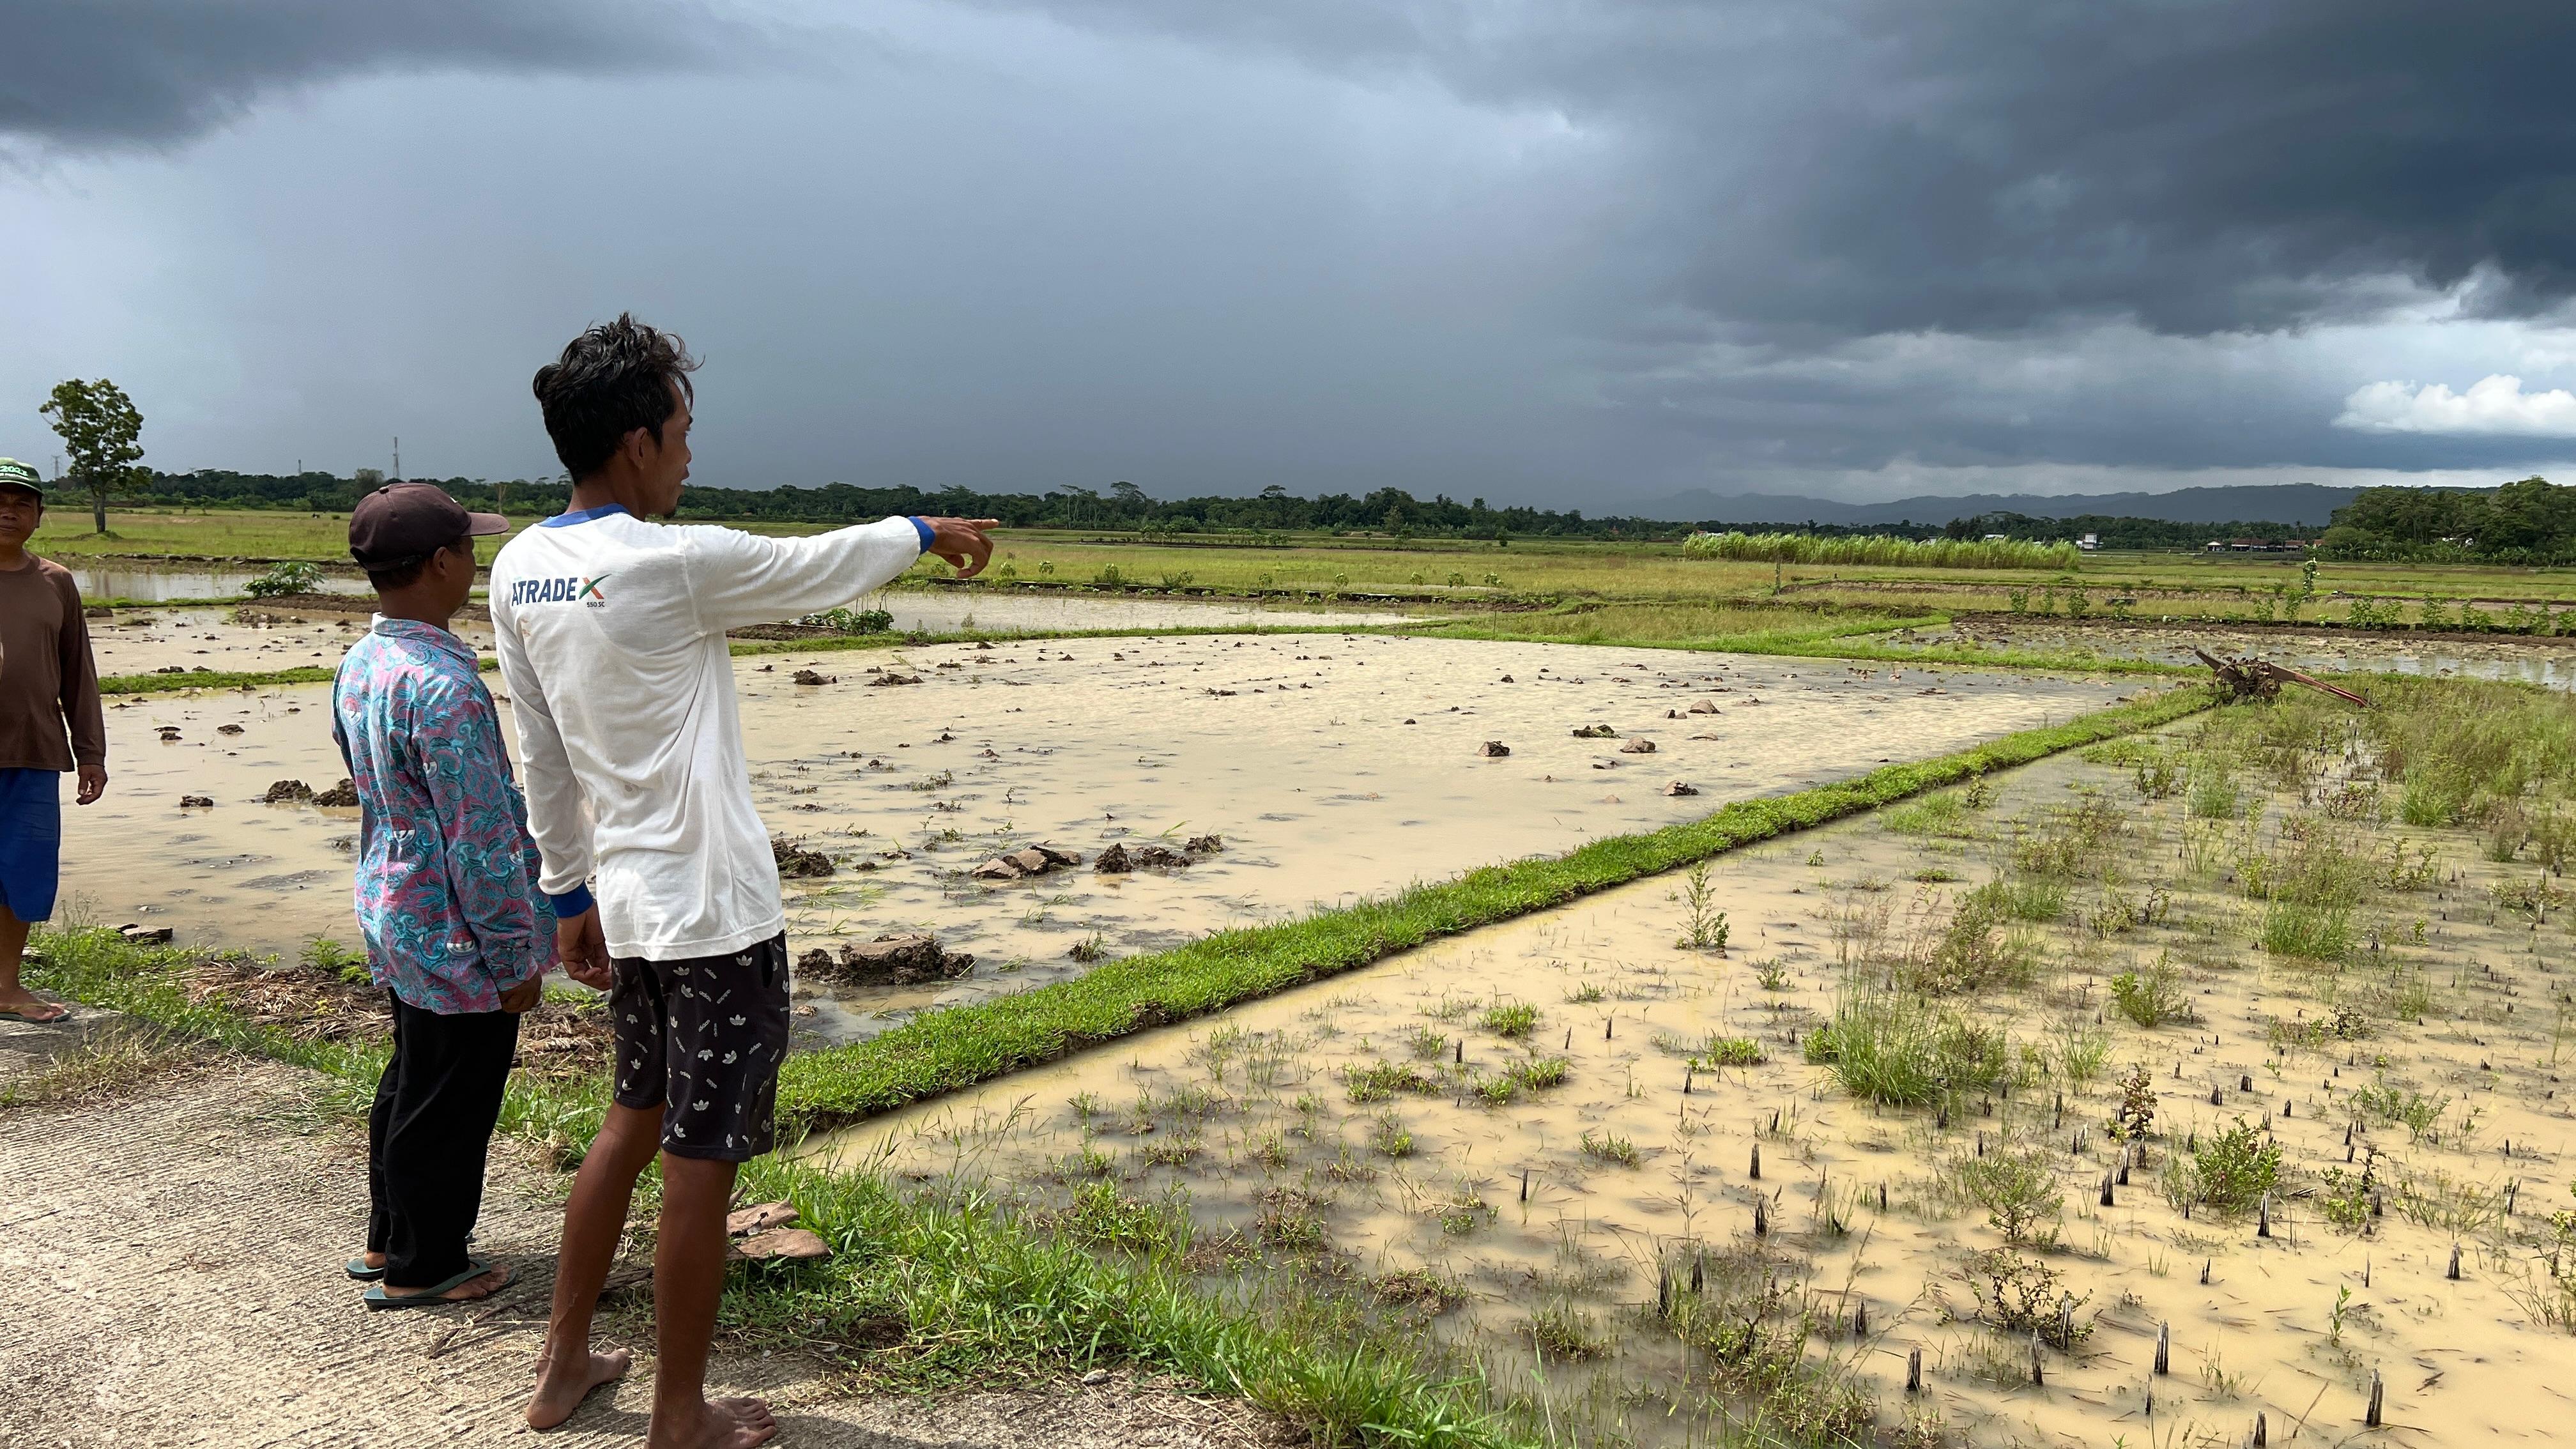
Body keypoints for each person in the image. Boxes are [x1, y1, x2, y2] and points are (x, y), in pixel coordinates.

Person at [495, 316, 994, 1446]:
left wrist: (567, 892)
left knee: (629, 1121)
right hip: (715, 914)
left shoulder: (521, 568)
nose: (686, 455)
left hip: (625, 903)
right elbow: (813, 567)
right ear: (634, 442)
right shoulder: (669, 564)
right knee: (699, 1165)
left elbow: (541, 750)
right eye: (679, 433)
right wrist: (923, 526)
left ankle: (563, 1364)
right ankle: (681, 1413)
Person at [330, 482, 557, 1308]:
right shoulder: (445, 689)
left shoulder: (364, 664)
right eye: (467, 548)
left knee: (410, 1080)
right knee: (449, 1104)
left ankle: (387, 1236)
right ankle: (426, 1265)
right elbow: (483, 842)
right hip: (454, 933)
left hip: (394, 904)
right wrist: (512, 957)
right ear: (439, 563)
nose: (474, 561)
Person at [0, 458, 105, 1024]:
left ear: (38, 515)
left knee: (22, 870)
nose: (7, 512)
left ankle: (6, 986)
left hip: (35, 749)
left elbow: (77, 673)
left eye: (21, 503)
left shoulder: (55, 582)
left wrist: (91, 751)